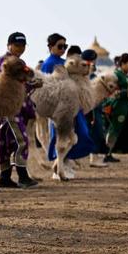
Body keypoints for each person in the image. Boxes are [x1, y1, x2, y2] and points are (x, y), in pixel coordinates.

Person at [42, 34, 95, 169]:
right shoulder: (49, 64)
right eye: (60, 46)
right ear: (50, 47)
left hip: (71, 106)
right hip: (59, 108)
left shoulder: (64, 62)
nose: (63, 49)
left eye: (65, 46)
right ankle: (60, 165)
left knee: (77, 134)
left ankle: (63, 163)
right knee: (62, 136)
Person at [0, 32, 39, 188]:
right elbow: (10, 83)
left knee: (8, 142)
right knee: (20, 140)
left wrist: (31, 85)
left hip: (16, 107)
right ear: (9, 45)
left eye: (22, 46)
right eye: (17, 45)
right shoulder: (5, 62)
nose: (20, 48)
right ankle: (22, 175)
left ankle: (5, 177)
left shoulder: (18, 62)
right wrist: (30, 84)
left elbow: (20, 84)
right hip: (8, 109)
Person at [82, 49, 111, 167]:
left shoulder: (92, 74)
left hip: (95, 107)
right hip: (90, 108)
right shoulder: (84, 74)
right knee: (94, 132)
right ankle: (93, 159)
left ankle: (95, 157)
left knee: (97, 132)